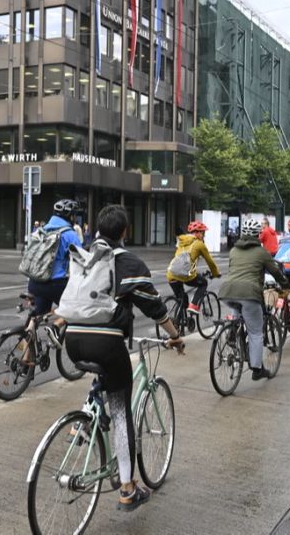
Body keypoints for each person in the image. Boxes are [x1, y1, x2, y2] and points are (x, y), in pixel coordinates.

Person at [65, 204, 182, 512]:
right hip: (106, 343)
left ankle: (86, 415)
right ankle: (128, 490)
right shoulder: (128, 262)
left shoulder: (85, 258)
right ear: (125, 233)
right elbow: (154, 307)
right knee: (121, 411)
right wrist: (173, 335)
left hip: (73, 341)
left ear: (96, 230)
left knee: (105, 376)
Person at [219, 218, 290, 381]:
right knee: (255, 332)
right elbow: (275, 272)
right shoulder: (262, 252)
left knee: (238, 309)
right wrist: (285, 286)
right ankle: (257, 369)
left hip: (228, 292)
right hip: (250, 294)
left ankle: (232, 333)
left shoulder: (233, 251)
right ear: (259, 234)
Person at [27, 199, 83, 317]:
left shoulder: (41, 230)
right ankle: (57, 328)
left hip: (34, 282)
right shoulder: (70, 234)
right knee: (74, 310)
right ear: (70, 216)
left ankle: (28, 331)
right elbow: (82, 259)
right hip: (55, 285)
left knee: (38, 315)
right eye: (74, 215)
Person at [166, 221, 221, 315]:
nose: (204, 235)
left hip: (171, 275)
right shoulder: (199, 244)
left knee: (182, 299)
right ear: (198, 233)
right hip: (186, 275)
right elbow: (210, 262)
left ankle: (178, 323)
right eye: (203, 233)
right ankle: (194, 305)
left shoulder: (181, 241)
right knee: (203, 283)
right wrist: (216, 273)